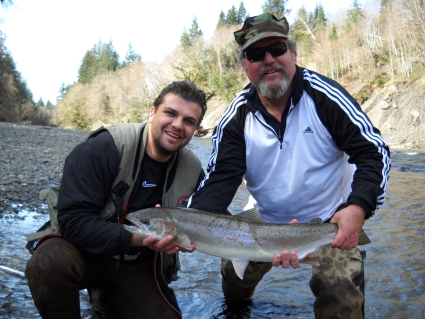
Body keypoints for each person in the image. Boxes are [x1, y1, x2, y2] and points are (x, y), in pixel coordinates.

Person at [188, 13, 391, 319]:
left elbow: (374, 152)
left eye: (278, 49)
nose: (269, 60)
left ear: (293, 53)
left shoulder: (326, 98)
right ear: (245, 66)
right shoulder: (236, 119)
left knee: (341, 298)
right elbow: (218, 181)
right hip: (260, 226)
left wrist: (357, 208)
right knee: (234, 286)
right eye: (256, 55)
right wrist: (189, 224)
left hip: (329, 225)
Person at [25, 80, 208, 319]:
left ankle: (109, 301)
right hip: (83, 251)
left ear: (195, 129)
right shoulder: (102, 148)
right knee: (49, 261)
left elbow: (207, 219)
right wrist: (143, 239)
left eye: (188, 121)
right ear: (152, 112)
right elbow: (73, 223)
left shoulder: (193, 169)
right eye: (170, 113)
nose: (177, 125)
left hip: (139, 266)